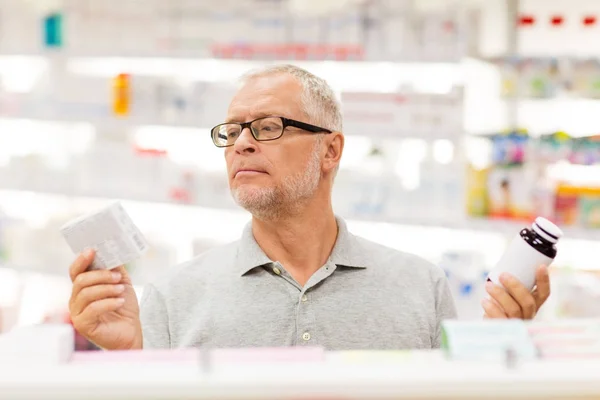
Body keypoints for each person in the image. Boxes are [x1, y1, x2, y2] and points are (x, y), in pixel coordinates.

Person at [68, 64, 551, 351]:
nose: (242, 144)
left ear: (331, 151)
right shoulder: (175, 295)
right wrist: (130, 356)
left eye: (268, 126)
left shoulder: (419, 285)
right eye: (232, 131)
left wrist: (502, 347)